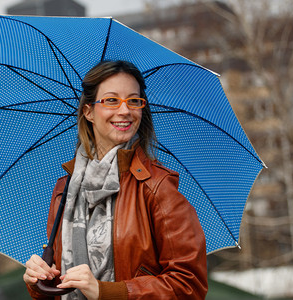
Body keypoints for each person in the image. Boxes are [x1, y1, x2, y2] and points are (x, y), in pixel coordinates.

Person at [23, 60, 208, 299]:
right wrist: (39, 283)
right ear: (88, 111)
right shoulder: (65, 189)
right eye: (111, 100)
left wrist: (106, 292)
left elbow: (189, 286)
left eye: (133, 101)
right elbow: (61, 288)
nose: (124, 111)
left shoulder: (157, 187)